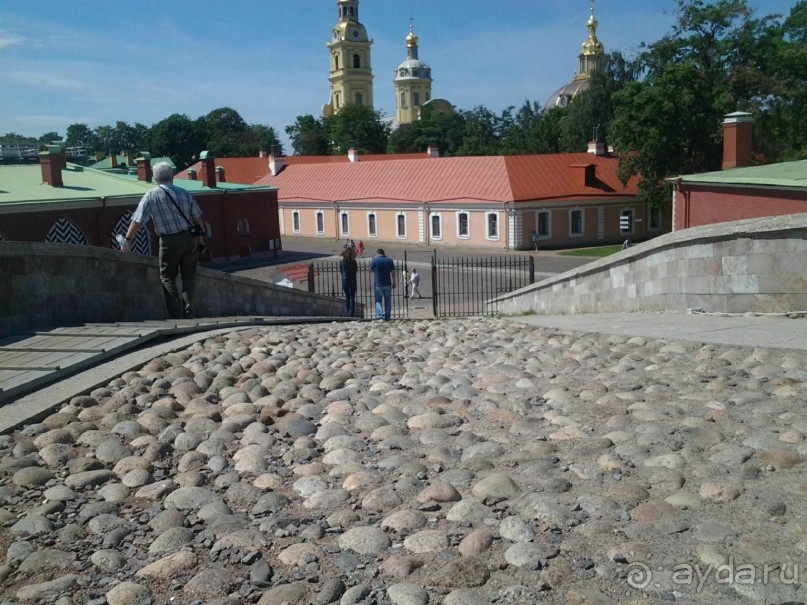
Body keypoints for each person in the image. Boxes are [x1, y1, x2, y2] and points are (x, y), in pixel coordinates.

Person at [122, 162, 204, 319]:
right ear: (172, 176)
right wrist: (200, 241)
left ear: (154, 178)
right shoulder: (185, 193)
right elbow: (198, 220)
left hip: (168, 241)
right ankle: (189, 313)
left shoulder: (151, 195)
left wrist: (128, 240)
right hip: (189, 239)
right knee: (188, 277)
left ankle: (175, 314)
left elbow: (137, 221)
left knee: (167, 277)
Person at [369, 248, 397, 320]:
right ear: (384, 253)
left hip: (378, 284)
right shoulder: (389, 260)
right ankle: (387, 316)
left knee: (378, 300)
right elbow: (393, 272)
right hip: (387, 283)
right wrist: (394, 282)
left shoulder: (374, 261)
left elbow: (370, 270)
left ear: (377, 254)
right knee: (388, 300)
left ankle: (380, 316)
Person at [339, 247, 358, 317]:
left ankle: (348, 312)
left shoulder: (342, 262)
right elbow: (356, 270)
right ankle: (351, 314)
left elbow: (341, 271)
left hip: (344, 280)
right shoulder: (354, 262)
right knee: (352, 297)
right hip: (352, 280)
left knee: (347, 296)